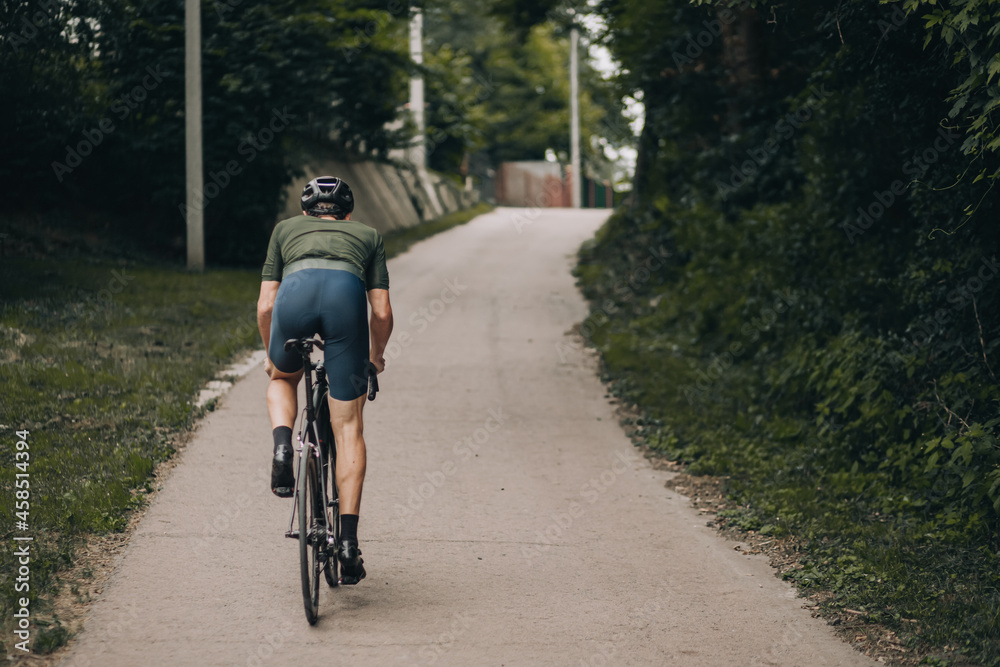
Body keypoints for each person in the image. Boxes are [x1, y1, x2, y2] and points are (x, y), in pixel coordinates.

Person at [256, 175, 393, 584]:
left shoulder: (284, 230)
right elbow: (381, 312)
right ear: (347, 213)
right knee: (347, 426)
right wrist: (376, 358)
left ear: (305, 211)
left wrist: (272, 355)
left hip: (293, 297)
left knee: (283, 378)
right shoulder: (368, 236)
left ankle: (283, 448)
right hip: (344, 302)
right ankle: (348, 543)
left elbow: (266, 305)